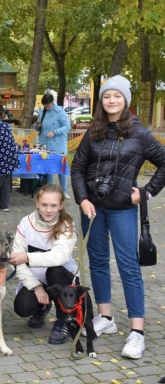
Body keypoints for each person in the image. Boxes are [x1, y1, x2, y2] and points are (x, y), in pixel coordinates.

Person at [71, 75, 165, 359]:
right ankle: (106, 317)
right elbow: (77, 168)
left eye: (117, 96)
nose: (112, 100)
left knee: (128, 265)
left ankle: (137, 332)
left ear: (126, 100)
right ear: (102, 101)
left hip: (124, 208)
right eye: (107, 96)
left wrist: (146, 193)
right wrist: (83, 199)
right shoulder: (93, 132)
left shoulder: (140, 133)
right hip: (93, 209)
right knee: (98, 262)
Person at [9, 184, 78, 344]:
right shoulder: (26, 223)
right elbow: (15, 260)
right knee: (22, 307)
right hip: (36, 280)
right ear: (37, 204)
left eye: (53, 205)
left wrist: (27, 258)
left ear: (61, 206)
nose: (48, 210)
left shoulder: (67, 225)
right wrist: (36, 286)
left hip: (63, 279)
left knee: (54, 270)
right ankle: (41, 307)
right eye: (44, 205)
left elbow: (58, 257)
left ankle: (65, 320)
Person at [34, 94, 71, 199]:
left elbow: (67, 127)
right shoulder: (42, 112)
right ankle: (48, 191)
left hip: (58, 145)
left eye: (48, 104)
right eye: (44, 105)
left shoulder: (60, 112)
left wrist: (55, 132)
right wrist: (37, 126)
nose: (46, 106)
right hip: (45, 144)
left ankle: (64, 191)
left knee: (61, 168)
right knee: (48, 169)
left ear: (52, 102)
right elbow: (38, 128)